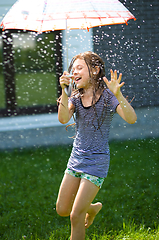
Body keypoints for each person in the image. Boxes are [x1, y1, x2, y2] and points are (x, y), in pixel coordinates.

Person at [56, 51, 137, 240]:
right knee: (62, 209)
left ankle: (84, 210)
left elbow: (131, 119)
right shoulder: (74, 96)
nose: (74, 72)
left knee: (75, 216)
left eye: (79, 67)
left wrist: (118, 94)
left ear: (94, 70)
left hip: (97, 162)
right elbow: (63, 119)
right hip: (76, 158)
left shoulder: (108, 97)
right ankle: (92, 208)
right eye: (72, 69)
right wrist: (64, 91)